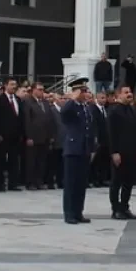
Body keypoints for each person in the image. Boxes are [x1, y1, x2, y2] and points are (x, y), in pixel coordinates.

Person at [60, 81, 96, 224]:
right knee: (71, 183)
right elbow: (64, 114)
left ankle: (78, 211)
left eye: (86, 91)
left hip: (84, 149)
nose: (87, 94)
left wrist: (92, 148)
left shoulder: (86, 108)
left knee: (81, 183)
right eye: (84, 91)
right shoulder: (71, 106)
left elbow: (90, 129)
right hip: (73, 149)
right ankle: (69, 213)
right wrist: (72, 99)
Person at [107, 86, 136, 220]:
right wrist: (114, 152)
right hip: (120, 152)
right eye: (126, 92)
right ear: (119, 95)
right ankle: (116, 209)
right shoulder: (114, 110)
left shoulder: (133, 110)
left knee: (128, 181)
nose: (129, 94)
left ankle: (125, 207)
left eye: (130, 92)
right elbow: (111, 133)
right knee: (117, 181)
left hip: (132, 151)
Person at [0, 77, 24, 192]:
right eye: (11, 84)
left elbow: (20, 118)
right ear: (5, 85)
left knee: (14, 160)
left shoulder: (18, 100)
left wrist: (21, 133)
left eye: (15, 84)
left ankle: (13, 184)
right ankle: (0, 183)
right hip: (3, 135)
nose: (14, 86)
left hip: (15, 135)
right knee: (1, 160)